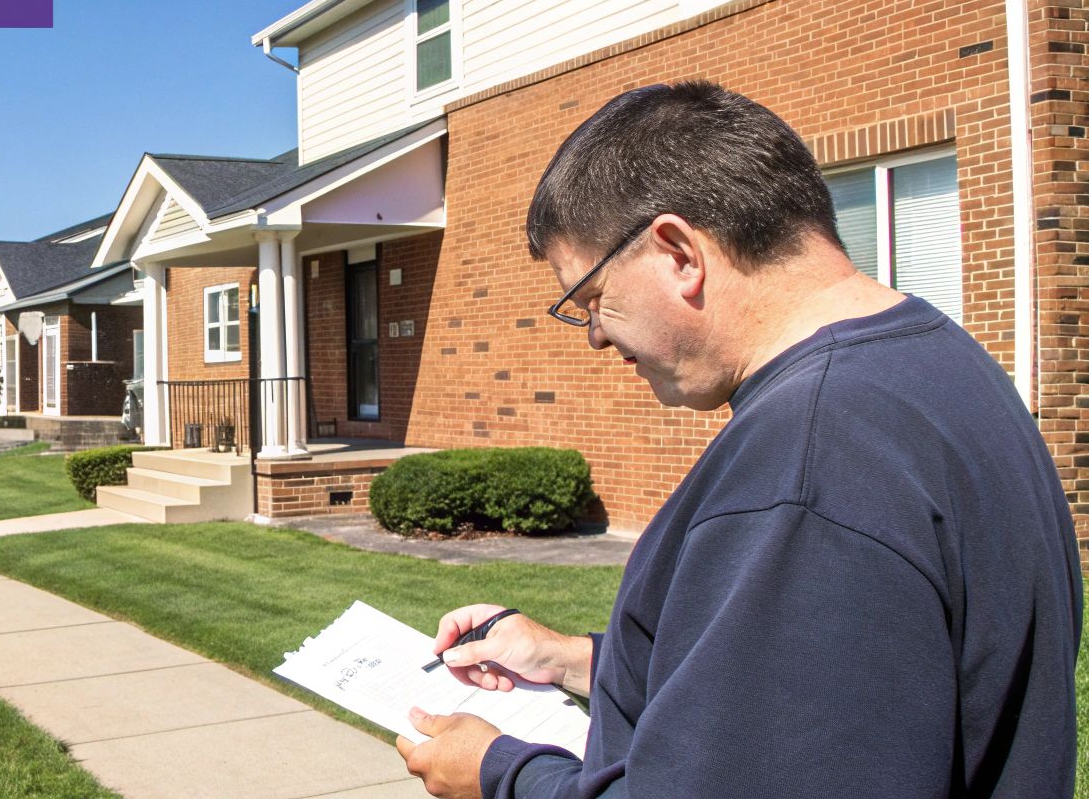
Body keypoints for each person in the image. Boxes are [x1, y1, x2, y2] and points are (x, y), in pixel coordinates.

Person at [394, 82, 1082, 799]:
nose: (596, 336)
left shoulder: (812, 462)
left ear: (679, 252)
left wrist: (503, 774)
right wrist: (571, 660)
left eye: (593, 300)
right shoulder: (940, 363)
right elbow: (824, 695)